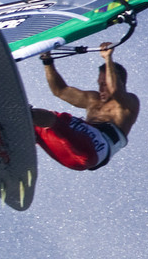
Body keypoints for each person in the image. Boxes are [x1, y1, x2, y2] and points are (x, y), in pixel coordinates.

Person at [31, 42, 139, 171]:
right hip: (72, 155)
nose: (101, 88)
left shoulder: (129, 104)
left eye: (104, 84)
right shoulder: (93, 99)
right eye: (99, 83)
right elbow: (60, 91)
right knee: (36, 126)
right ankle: (8, 144)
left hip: (96, 150)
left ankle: (22, 113)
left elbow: (115, 89)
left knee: (56, 119)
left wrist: (108, 58)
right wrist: (47, 60)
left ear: (121, 82)